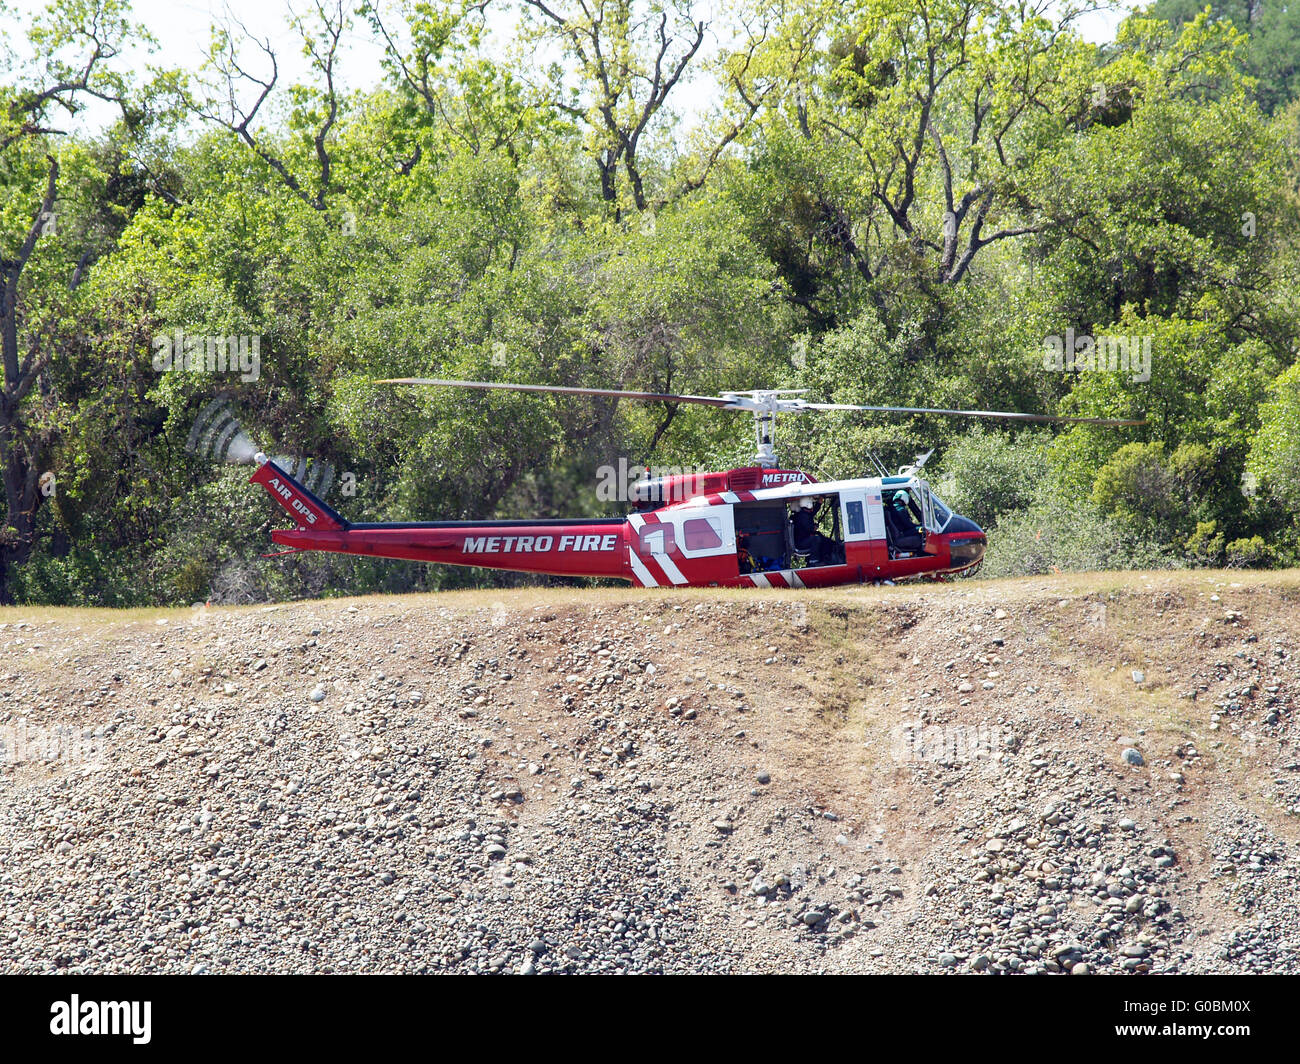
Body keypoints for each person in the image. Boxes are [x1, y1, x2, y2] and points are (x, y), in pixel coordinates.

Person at [790, 496, 831, 564]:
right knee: (816, 539)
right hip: (801, 543)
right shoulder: (803, 516)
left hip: (801, 541)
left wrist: (819, 503)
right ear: (808, 504)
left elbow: (812, 513)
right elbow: (810, 529)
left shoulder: (803, 514)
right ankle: (814, 560)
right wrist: (814, 527)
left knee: (818, 537)